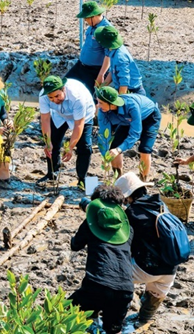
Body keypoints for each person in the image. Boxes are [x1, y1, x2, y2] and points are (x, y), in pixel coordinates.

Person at [115, 172, 177, 329]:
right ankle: (144, 319)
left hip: (147, 268)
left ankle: (117, 317)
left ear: (127, 197)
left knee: (113, 276)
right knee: (156, 294)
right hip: (171, 268)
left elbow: (126, 244)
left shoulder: (132, 212)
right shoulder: (161, 204)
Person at [70, 185, 134, 334]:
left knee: (64, 312)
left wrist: (89, 219)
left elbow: (75, 245)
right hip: (125, 290)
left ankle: (91, 322)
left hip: (96, 285)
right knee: (112, 330)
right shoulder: (128, 230)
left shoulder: (90, 225)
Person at [38, 75, 95, 187]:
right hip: (59, 115)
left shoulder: (77, 97)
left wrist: (70, 147)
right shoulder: (43, 96)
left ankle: (82, 179)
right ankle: (51, 173)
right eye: (51, 98)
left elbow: (78, 125)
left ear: (63, 89)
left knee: (85, 146)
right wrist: (47, 141)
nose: (54, 100)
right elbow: (45, 120)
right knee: (52, 143)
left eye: (57, 96)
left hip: (83, 116)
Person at [96, 86, 161, 181]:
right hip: (127, 120)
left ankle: (143, 180)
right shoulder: (103, 111)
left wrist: (119, 150)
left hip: (150, 117)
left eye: (101, 103)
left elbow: (135, 134)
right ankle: (118, 178)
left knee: (145, 149)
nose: (98, 106)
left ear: (112, 104)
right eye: (97, 102)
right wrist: (105, 155)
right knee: (113, 146)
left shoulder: (131, 106)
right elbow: (103, 134)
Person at [66, 1, 111, 95]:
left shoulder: (106, 30)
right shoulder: (91, 26)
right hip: (81, 66)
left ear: (93, 16)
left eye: (86, 18)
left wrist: (101, 75)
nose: (85, 20)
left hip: (94, 70)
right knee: (65, 85)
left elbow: (109, 55)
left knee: (88, 96)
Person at [94, 25, 146, 95]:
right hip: (122, 88)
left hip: (132, 92)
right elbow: (113, 71)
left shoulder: (120, 58)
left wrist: (119, 103)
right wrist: (102, 88)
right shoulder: (111, 50)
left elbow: (124, 84)